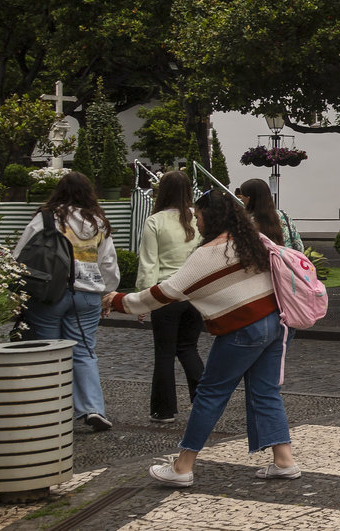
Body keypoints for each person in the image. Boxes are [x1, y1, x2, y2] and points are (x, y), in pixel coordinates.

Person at [106, 190, 297, 487]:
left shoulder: (209, 253)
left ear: (212, 216)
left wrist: (119, 301)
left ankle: (183, 467)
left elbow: (166, 293)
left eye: (198, 216)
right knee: (265, 392)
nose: (196, 223)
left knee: (210, 393)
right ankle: (284, 461)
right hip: (275, 324)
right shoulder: (252, 241)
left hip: (242, 329)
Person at [14, 169, 120, 432]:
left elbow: (21, 253)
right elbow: (108, 263)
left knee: (50, 352)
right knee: (84, 351)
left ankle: (51, 411)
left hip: (50, 294)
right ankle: (93, 408)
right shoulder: (98, 221)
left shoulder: (46, 218)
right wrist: (107, 291)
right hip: (87, 296)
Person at [137, 170, 205, 424]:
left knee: (164, 354)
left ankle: (164, 410)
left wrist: (143, 300)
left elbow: (148, 265)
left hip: (165, 293)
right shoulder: (196, 218)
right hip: (194, 294)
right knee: (188, 348)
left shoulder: (155, 221)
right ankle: (204, 400)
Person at [238, 178, 303, 251]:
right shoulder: (284, 216)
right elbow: (299, 247)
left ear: (248, 198)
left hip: (262, 261)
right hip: (285, 260)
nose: (241, 199)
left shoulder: (246, 222)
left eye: (242, 195)